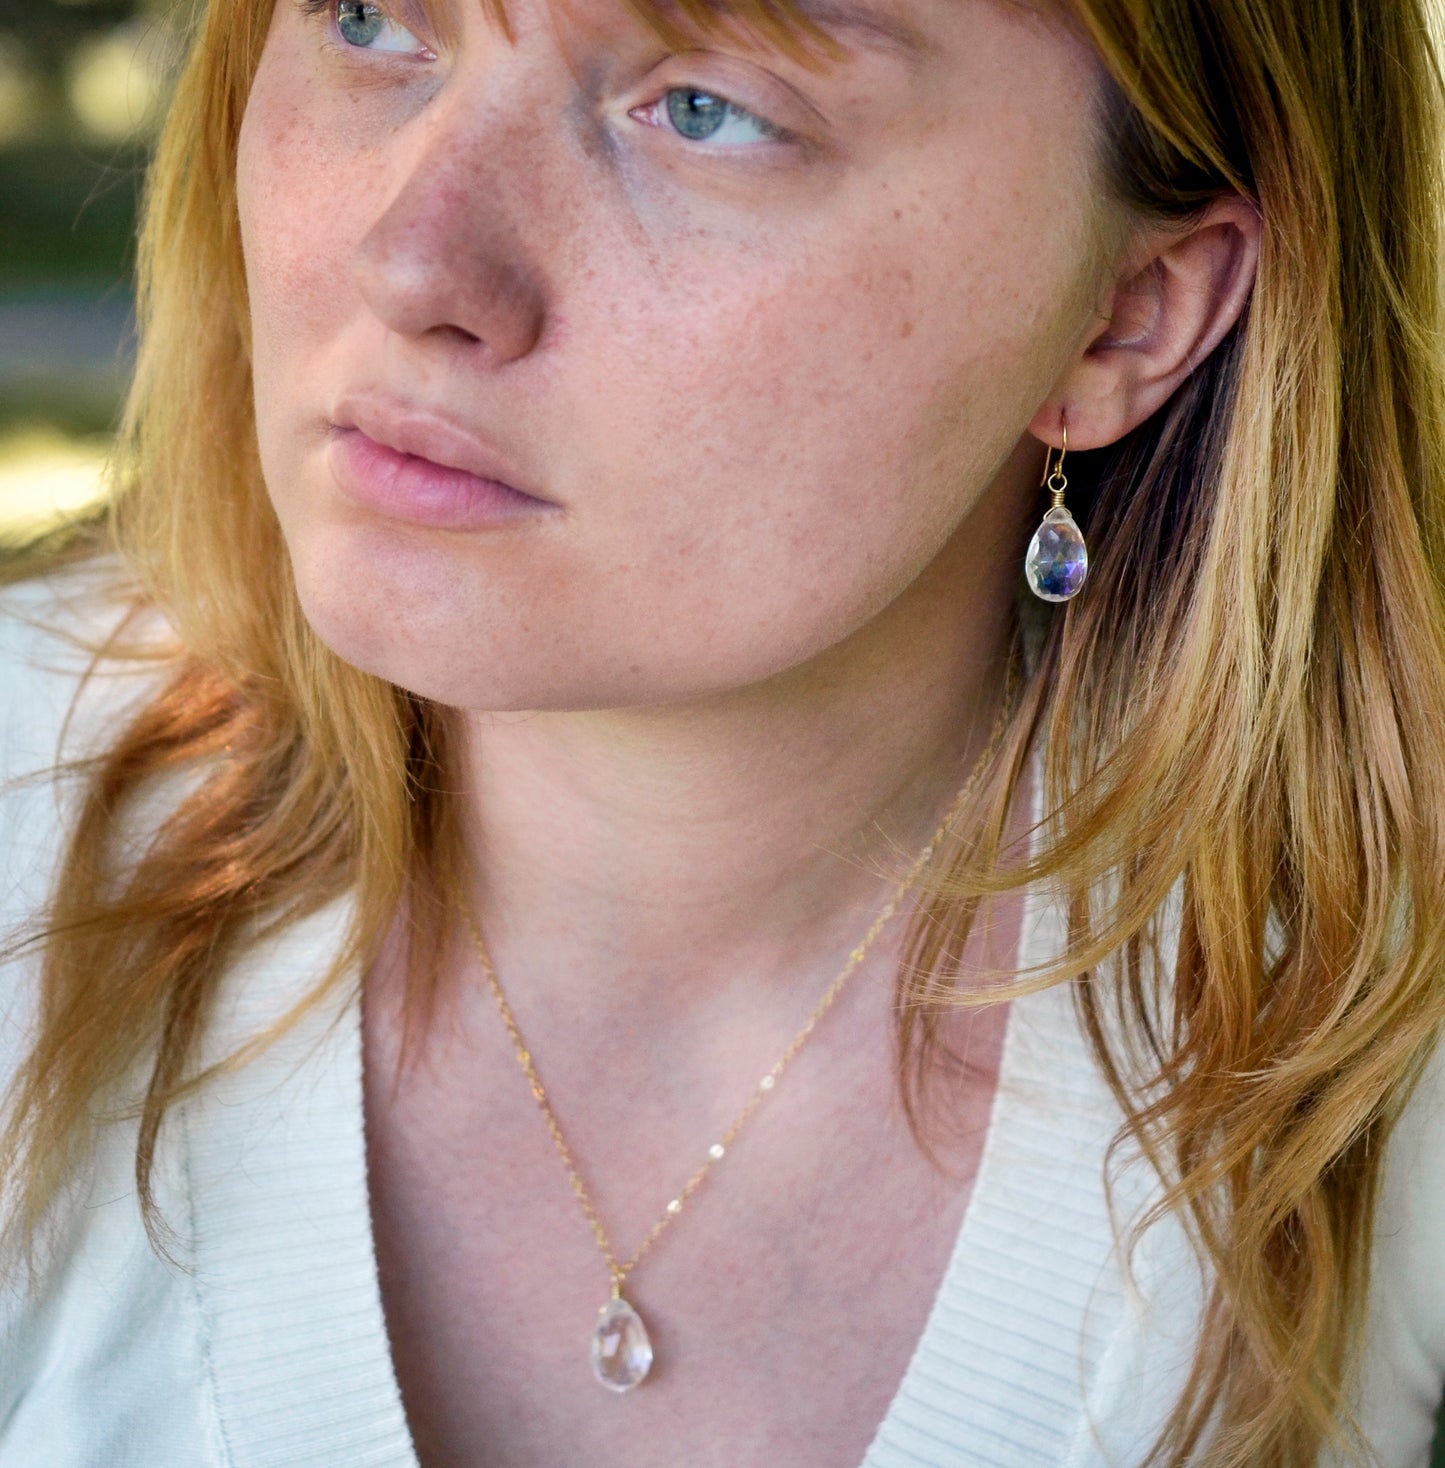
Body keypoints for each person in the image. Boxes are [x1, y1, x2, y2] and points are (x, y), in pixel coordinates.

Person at [2, 0, 1445, 1462]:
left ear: (1132, 309)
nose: (413, 258)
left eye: (706, 109)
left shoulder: (1367, 1035)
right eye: (374, 18)